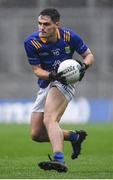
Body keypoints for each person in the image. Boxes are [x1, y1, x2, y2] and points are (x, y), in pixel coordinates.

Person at [24, 8, 94, 173]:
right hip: (47, 82)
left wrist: (83, 67)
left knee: (50, 119)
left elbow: (89, 56)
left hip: (65, 83)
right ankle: (74, 136)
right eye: (40, 23)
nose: (42, 27)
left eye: (46, 24)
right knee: (36, 135)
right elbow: (36, 70)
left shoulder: (70, 36)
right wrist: (52, 74)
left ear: (57, 24)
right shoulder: (31, 42)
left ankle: (58, 159)